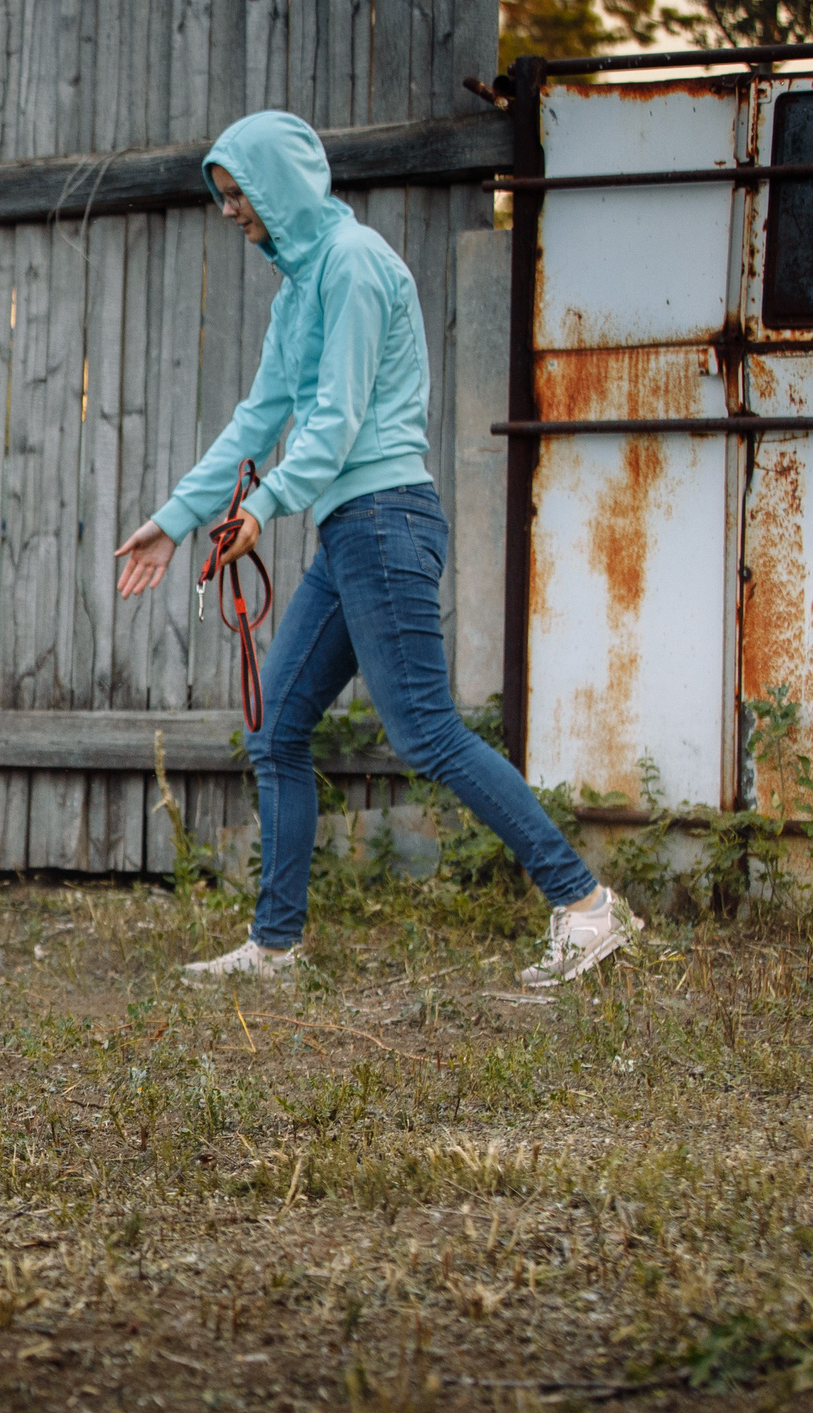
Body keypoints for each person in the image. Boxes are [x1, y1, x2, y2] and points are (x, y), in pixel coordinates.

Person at [114, 111, 641, 988]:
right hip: (349, 527)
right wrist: (173, 519)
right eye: (222, 197)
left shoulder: (355, 266)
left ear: (278, 187)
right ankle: (276, 946)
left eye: (237, 193)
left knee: (426, 732)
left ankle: (585, 904)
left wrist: (267, 504)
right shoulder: (298, 289)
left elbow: (338, 419)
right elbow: (260, 420)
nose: (229, 211)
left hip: (385, 516)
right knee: (275, 723)